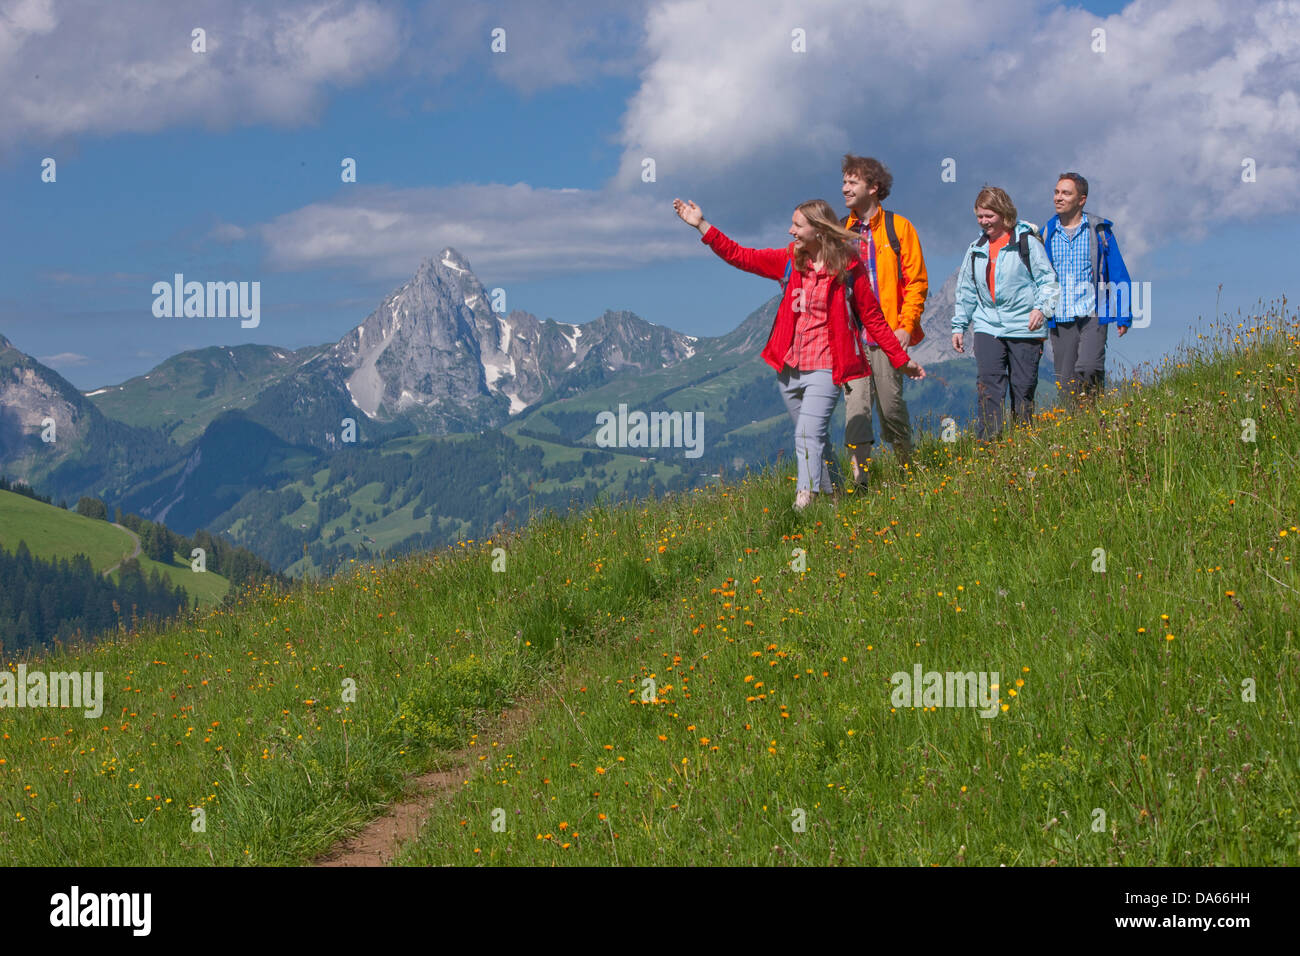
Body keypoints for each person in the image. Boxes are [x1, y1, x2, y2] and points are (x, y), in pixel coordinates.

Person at [673, 197, 926, 509]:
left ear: (818, 230)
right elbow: (741, 256)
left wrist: (902, 360)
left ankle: (805, 499)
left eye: (797, 225)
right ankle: (838, 502)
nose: (789, 230)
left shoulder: (849, 268)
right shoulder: (790, 260)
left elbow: (873, 319)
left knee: (807, 435)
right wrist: (701, 224)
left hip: (827, 365)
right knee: (818, 442)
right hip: (789, 367)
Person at [839, 154, 929, 484]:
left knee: (891, 408)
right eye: (844, 181)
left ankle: (908, 470)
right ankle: (859, 482)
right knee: (856, 411)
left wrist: (906, 326)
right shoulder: (840, 232)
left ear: (873, 188)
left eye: (853, 182)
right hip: (852, 338)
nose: (845, 187)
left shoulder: (899, 228)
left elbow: (917, 280)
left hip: (887, 334)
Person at [951, 186, 1060, 441]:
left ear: (1004, 213)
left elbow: (1048, 281)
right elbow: (965, 289)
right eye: (979, 216)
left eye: (989, 215)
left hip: (1025, 325)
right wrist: (959, 326)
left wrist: (1042, 309)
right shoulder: (976, 248)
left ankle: (1023, 442)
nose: (984, 222)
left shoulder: (1026, 243)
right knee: (988, 386)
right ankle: (989, 444)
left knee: (1023, 388)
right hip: (988, 324)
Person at [1041, 172, 1133, 408]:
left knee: (1089, 367)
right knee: (1066, 380)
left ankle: (1094, 412)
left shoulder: (1099, 231)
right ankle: (1076, 427)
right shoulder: (1046, 233)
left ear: (1081, 200)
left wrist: (1123, 314)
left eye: (1066, 193)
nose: (1058, 197)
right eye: (1056, 192)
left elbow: (1118, 273)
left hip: (1093, 312)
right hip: (1060, 316)